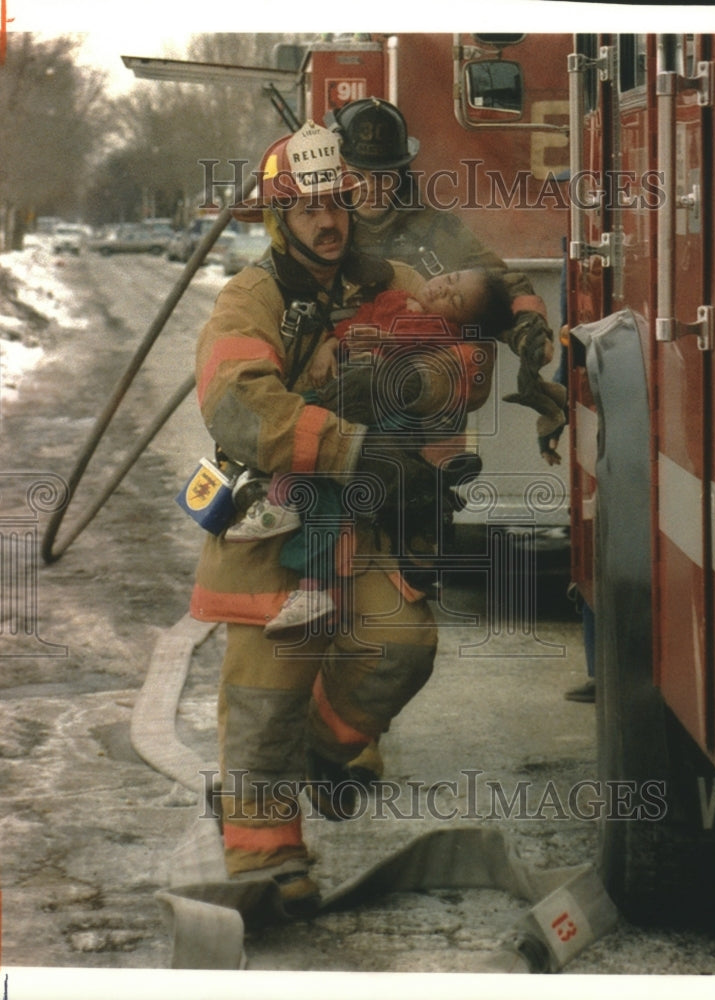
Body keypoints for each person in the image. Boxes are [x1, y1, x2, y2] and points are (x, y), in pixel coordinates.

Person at [190, 121, 491, 909]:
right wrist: (348, 444)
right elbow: (235, 403)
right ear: (277, 218)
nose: (327, 221)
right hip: (275, 529)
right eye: (306, 208)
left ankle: (324, 755)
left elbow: (466, 362)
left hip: (358, 531)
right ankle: (263, 864)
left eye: (336, 203)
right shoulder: (251, 298)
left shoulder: (385, 281)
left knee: (401, 644)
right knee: (265, 695)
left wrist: (400, 386)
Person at [224, 268, 513, 637]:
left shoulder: (441, 329)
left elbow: (418, 352)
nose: (443, 289)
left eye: (455, 300)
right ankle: (306, 574)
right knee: (308, 439)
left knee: (321, 458)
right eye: (451, 280)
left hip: (380, 418)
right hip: (343, 398)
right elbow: (355, 326)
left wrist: (383, 345)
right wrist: (330, 345)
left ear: (462, 321)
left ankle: (287, 516)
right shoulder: (391, 297)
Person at [324, 98, 560, 402]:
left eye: (384, 176)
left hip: (413, 399)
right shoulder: (322, 225)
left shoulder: (435, 229)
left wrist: (528, 330)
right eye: (358, 175)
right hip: (332, 374)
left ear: (402, 172)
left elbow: (498, 284)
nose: (372, 186)